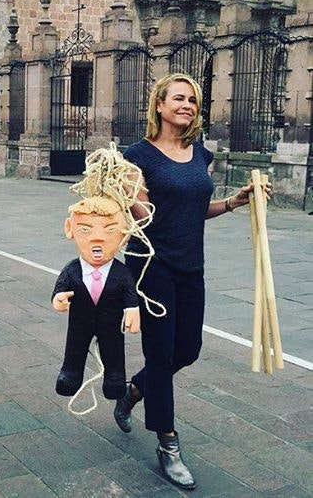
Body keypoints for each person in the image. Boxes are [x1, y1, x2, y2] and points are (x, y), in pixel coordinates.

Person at [113, 73, 271, 491]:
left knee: (188, 349)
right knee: (161, 353)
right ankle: (168, 444)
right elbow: (145, 216)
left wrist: (234, 202)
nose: (187, 105)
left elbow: (194, 209)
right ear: (160, 105)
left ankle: (133, 391)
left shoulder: (201, 154)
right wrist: (127, 194)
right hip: (150, 266)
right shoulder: (137, 156)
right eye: (179, 98)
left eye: (193, 101)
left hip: (189, 264)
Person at [52, 196, 141, 404]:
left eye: (110, 230)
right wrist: (58, 299)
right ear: (70, 229)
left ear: (125, 233)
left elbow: (130, 293)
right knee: (75, 347)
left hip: (111, 322)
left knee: (114, 349)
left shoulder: (121, 272)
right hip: (80, 321)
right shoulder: (72, 270)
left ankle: (115, 380)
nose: (97, 238)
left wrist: (132, 310)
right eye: (85, 229)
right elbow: (59, 289)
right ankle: (70, 375)